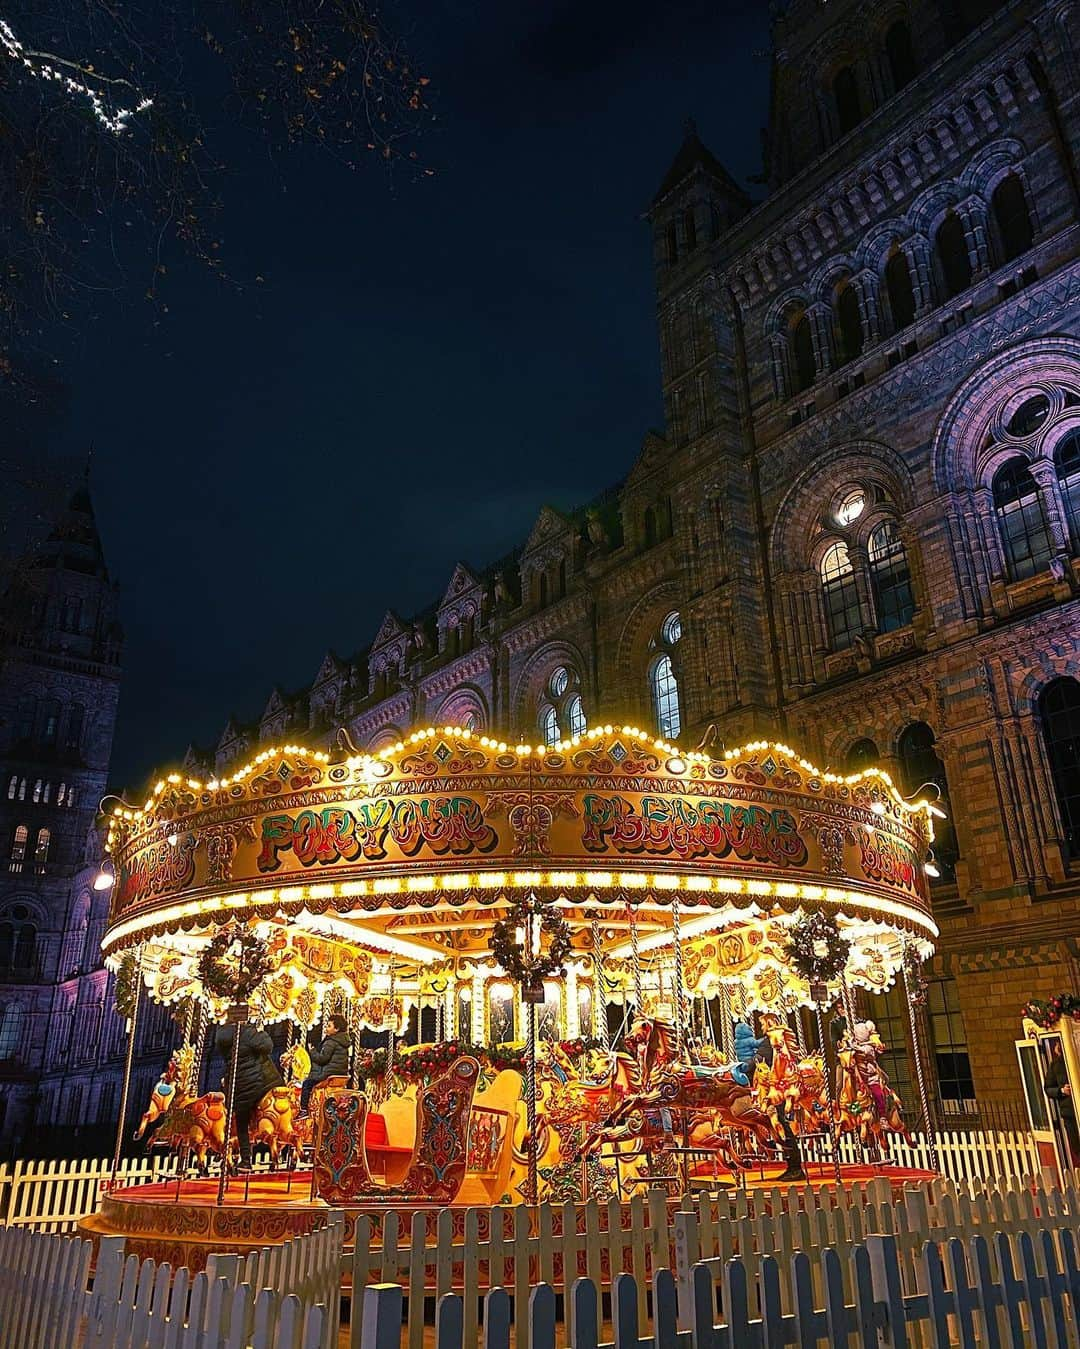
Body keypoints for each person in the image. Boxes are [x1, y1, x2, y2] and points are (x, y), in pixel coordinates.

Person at [215, 1021, 283, 1170]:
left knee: (241, 1123)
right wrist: (261, 1032)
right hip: (257, 1082)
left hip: (239, 1084)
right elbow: (267, 1047)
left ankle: (246, 1159)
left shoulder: (222, 1035)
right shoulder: (248, 1032)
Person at [300, 1013, 352, 1113]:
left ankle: (303, 1109)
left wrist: (312, 1051)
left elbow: (322, 1059)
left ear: (336, 1029)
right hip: (341, 1073)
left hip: (328, 1074)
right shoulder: (344, 1042)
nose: (326, 1029)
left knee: (306, 1083)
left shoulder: (331, 1041)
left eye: (329, 1026)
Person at [1044, 1039, 1080, 1167]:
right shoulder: (1056, 1065)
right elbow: (1048, 1089)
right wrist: (1061, 1091)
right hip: (1070, 1113)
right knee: (1077, 1146)